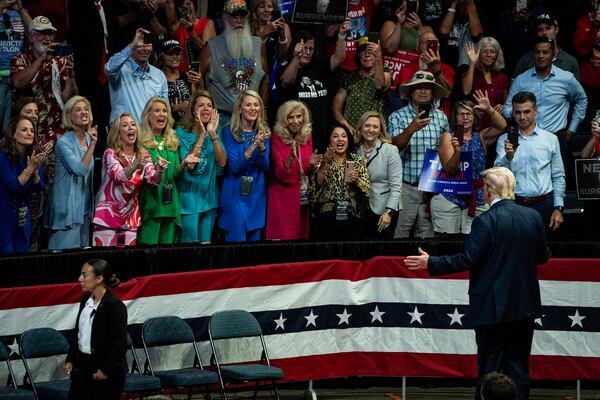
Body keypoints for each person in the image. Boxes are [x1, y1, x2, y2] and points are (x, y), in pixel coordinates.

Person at [405, 167, 550, 400]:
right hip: (523, 307)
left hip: (492, 309)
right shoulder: (533, 217)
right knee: (519, 369)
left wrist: (431, 263)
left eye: (484, 187)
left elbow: (467, 259)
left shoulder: (486, 221)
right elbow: (543, 257)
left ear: (489, 192)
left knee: (489, 370)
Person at [504, 37, 587, 171]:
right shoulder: (521, 80)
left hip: (556, 137)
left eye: (545, 52)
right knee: (527, 181)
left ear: (553, 54)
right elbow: (507, 108)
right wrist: (519, 114)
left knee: (558, 180)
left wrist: (572, 128)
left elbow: (581, 99)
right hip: (526, 138)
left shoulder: (566, 78)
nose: (541, 56)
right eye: (537, 52)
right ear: (532, 54)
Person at [431, 91, 506, 235]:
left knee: (474, 242)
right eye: (461, 114)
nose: (465, 117)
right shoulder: (448, 136)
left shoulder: (482, 136)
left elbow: (502, 126)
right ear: (455, 117)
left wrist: (489, 109)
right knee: (448, 242)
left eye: (469, 114)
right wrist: (458, 151)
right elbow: (449, 170)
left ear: (474, 117)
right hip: (450, 195)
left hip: (477, 196)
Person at [388, 70, 449, 239]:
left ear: (433, 93)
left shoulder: (441, 118)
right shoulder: (397, 116)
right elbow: (393, 148)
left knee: (427, 237)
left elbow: (446, 151)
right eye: (418, 87)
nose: (423, 91)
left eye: (427, 88)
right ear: (411, 92)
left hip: (432, 188)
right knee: (399, 235)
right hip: (406, 186)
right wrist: (411, 129)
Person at [92, 113, 167, 247]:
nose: (131, 128)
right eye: (125, 125)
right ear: (118, 132)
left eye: (133, 125)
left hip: (130, 217)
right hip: (107, 215)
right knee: (104, 260)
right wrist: (135, 165)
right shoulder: (110, 153)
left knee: (126, 261)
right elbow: (119, 176)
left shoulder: (143, 154)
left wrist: (160, 169)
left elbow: (152, 179)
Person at [496, 91, 565, 232]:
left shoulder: (551, 139)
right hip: (514, 203)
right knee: (515, 251)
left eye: (526, 112)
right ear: (513, 113)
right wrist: (508, 157)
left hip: (543, 204)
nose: (522, 117)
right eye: (517, 112)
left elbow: (558, 176)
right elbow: (497, 176)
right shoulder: (504, 140)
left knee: (542, 251)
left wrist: (558, 207)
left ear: (536, 111)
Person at [64, 259, 128, 400]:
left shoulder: (115, 306)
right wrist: (70, 358)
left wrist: (105, 369)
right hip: (83, 367)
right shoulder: (84, 301)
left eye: (84, 275)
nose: (80, 279)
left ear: (99, 278)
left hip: (106, 370)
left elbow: (120, 343)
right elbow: (78, 333)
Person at [138, 97, 198, 245]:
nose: (162, 114)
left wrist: (184, 164)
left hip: (171, 205)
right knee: (148, 253)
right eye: (157, 110)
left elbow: (175, 174)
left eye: (165, 111)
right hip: (151, 204)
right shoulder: (141, 142)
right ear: (148, 115)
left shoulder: (172, 140)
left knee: (167, 256)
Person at [278, 26, 349, 151]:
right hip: (298, 138)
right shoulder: (287, 66)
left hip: (321, 136)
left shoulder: (318, 68)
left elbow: (339, 58)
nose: (308, 52)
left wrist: (342, 35)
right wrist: (296, 57)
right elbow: (286, 81)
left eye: (311, 49)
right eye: (305, 48)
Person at [10, 15, 77, 147]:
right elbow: (18, 82)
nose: (47, 38)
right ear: (30, 37)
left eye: (50, 34)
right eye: (42, 33)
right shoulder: (20, 59)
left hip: (54, 134)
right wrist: (41, 59)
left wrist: (70, 73)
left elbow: (68, 98)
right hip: (28, 133)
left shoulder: (59, 62)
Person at [199, 0, 268, 121]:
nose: (239, 20)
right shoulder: (211, 46)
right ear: (225, 17)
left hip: (253, 119)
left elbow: (266, 79)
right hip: (221, 120)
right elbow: (197, 81)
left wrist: (263, 109)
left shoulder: (258, 44)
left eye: (242, 16)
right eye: (234, 16)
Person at [176, 90, 227, 243]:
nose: (206, 109)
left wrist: (212, 134)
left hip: (209, 198)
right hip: (188, 199)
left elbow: (222, 162)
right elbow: (190, 165)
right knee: (189, 248)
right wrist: (202, 134)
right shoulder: (180, 132)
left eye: (209, 106)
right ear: (193, 110)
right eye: (201, 106)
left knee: (205, 248)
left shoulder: (216, 131)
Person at [219, 90, 270, 242]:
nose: (253, 108)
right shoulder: (229, 132)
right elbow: (234, 166)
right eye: (248, 105)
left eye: (256, 105)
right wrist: (254, 145)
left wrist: (262, 150)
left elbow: (265, 166)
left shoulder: (264, 132)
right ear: (240, 108)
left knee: (254, 248)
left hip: (257, 194)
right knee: (236, 243)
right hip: (235, 193)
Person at [46, 96, 96, 250]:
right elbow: (79, 170)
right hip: (67, 211)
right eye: (78, 109)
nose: (84, 112)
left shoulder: (89, 138)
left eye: (86, 109)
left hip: (84, 210)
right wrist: (93, 144)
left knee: (81, 261)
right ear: (69, 115)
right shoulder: (64, 142)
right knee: (64, 262)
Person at [266, 100, 318, 240]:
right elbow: (279, 173)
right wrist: (289, 160)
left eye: (299, 116)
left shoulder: (307, 136)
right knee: (282, 242)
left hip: (302, 198)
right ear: (284, 119)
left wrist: (312, 165)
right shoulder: (276, 139)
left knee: (301, 239)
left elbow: (305, 170)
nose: (296, 121)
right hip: (282, 198)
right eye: (291, 117)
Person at [310, 124, 370, 241]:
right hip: (326, 217)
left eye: (344, 136)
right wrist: (325, 165)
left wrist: (357, 180)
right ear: (329, 141)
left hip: (351, 217)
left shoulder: (358, 161)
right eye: (335, 136)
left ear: (348, 140)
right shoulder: (320, 160)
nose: (340, 139)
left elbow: (367, 189)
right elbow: (314, 189)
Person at [0, 116, 46, 253]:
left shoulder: (33, 157)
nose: (29, 133)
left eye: (32, 130)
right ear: (13, 134)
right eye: (24, 130)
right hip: (4, 218)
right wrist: (30, 169)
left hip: (23, 218)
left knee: (22, 260)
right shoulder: (2, 158)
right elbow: (14, 187)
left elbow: (39, 188)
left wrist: (36, 173)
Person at [105, 27, 168, 124]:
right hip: (125, 134)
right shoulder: (120, 71)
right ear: (131, 45)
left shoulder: (159, 75)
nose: (145, 49)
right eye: (140, 45)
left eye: (148, 45)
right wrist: (132, 46)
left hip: (151, 135)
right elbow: (109, 68)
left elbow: (166, 109)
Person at [355, 111, 402, 239]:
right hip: (362, 210)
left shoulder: (390, 150)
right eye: (367, 125)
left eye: (375, 126)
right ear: (360, 128)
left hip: (384, 210)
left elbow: (396, 186)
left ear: (380, 130)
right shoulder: (355, 151)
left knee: (380, 251)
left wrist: (389, 212)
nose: (370, 130)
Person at [332, 36, 392, 135]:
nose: (367, 55)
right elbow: (336, 105)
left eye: (371, 51)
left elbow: (380, 85)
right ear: (358, 56)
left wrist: (378, 59)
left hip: (374, 134)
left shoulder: (386, 72)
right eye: (363, 51)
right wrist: (343, 122)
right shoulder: (349, 77)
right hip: (352, 133)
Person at [397, 29, 454, 117]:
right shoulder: (408, 68)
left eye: (433, 43)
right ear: (417, 47)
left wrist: (436, 69)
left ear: (438, 46)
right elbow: (402, 95)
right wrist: (420, 71)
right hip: (411, 115)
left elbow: (446, 93)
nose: (430, 46)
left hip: (439, 117)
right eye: (426, 42)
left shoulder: (447, 69)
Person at [512, 11, 580, 79]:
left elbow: (575, 89)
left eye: (548, 28)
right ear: (536, 33)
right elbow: (515, 87)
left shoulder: (570, 61)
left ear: (556, 29)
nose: (544, 33)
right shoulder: (525, 60)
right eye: (540, 29)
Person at [462, 37, 509, 130]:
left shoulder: (503, 78)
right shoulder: (468, 74)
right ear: (478, 53)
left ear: (497, 55)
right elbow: (466, 91)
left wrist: (504, 106)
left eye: (492, 52)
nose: (489, 55)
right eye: (485, 51)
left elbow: (506, 101)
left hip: (496, 127)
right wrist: (472, 63)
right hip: (476, 126)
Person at [0, 0, 30, 133]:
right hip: (0, 78)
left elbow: (34, 33)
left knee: (11, 130)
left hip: (18, 78)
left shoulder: (19, 13)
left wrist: (21, 10)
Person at [157, 38, 203, 124]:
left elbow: (197, 98)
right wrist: (176, 107)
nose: (175, 56)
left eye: (177, 53)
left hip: (189, 125)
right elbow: (154, 107)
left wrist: (199, 82)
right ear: (161, 56)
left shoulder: (186, 75)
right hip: (168, 127)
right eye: (170, 54)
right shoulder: (157, 79)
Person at [166, 0, 216, 72]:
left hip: (201, 75)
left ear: (194, 6)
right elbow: (169, 2)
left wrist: (191, 31)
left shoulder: (207, 23)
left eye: (188, 4)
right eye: (181, 6)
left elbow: (206, 53)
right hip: (182, 75)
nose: (185, 7)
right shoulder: (176, 26)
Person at [574, 1, 600, 130]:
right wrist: (593, 29)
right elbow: (581, 50)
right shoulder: (583, 22)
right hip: (588, 82)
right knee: (587, 125)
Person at [438, 0, 484, 69]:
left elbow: (476, 33)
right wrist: (454, 3)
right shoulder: (449, 12)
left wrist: (470, 4)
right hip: (448, 61)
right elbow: (444, 31)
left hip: (467, 64)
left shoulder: (478, 15)